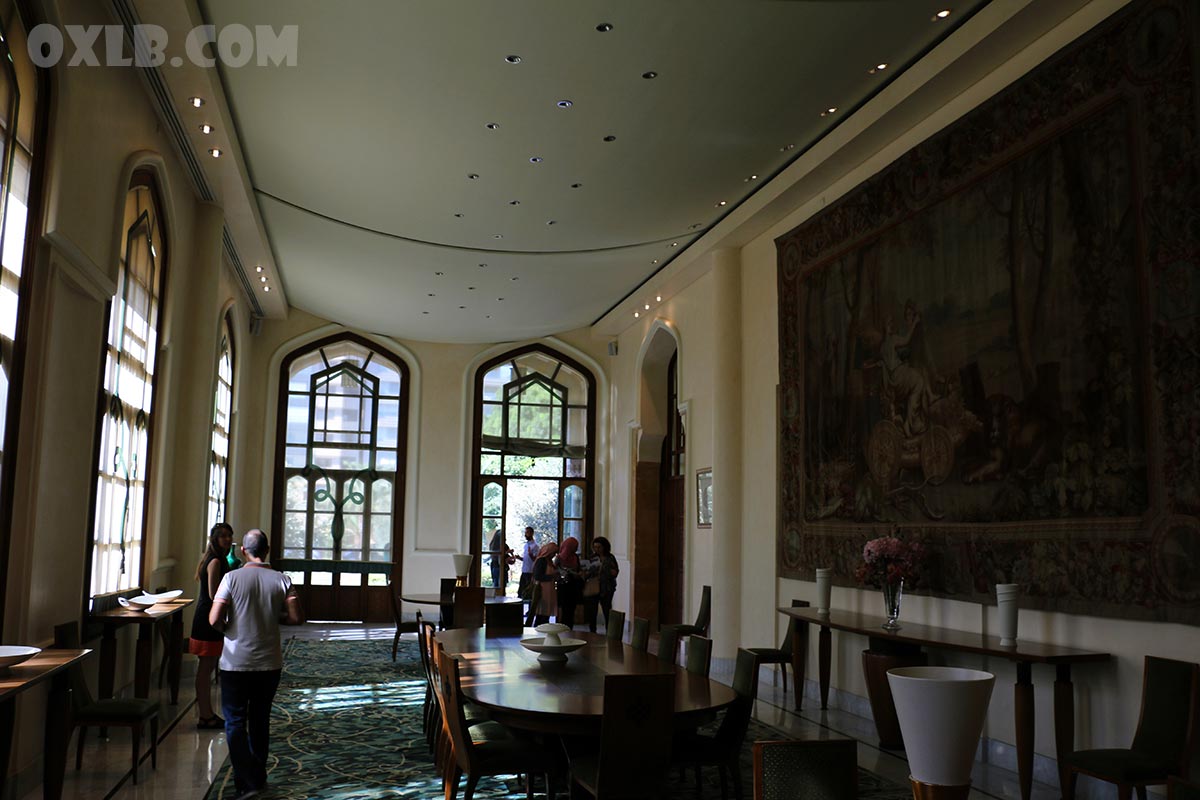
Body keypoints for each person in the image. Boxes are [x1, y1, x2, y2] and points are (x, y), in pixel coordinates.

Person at [210, 529, 304, 800]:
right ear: (268, 550)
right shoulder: (282, 580)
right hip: (268, 662)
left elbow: (214, 619)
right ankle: (257, 775)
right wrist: (273, 618)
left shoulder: (231, 578)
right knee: (260, 719)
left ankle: (247, 779)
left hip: (235, 663)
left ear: (243, 551)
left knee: (235, 722)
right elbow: (297, 617)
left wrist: (230, 631)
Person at [188, 522, 234, 729]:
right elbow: (215, 595)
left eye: (229, 535)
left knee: (207, 668)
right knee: (205, 668)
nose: (227, 539)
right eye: (222, 536)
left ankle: (207, 714)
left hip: (207, 616)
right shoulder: (215, 561)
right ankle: (205, 715)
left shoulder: (217, 558)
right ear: (214, 538)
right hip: (207, 619)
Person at [584, 536, 619, 634]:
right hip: (594, 586)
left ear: (604, 547)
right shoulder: (592, 558)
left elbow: (615, 571)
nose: (597, 549)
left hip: (607, 588)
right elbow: (586, 572)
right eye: (595, 547)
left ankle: (610, 632)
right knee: (592, 611)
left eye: (599, 547)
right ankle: (592, 631)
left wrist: (606, 570)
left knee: (607, 610)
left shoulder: (610, 558)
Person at [555, 536, 583, 629]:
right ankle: (560, 626)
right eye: (574, 546)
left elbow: (579, 569)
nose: (576, 548)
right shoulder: (559, 558)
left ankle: (569, 627)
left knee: (571, 609)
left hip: (573, 586)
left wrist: (578, 573)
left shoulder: (575, 557)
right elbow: (555, 570)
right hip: (563, 586)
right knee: (562, 608)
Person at [531, 541, 559, 626]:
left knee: (546, 613)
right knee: (542, 613)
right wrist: (552, 576)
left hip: (549, 589)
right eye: (553, 553)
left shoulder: (550, 561)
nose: (554, 555)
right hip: (543, 589)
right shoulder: (541, 561)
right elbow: (538, 576)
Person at [517, 526, 539, 600]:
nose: (525, 534)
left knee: (528, 593)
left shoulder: (535, 546)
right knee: (521, 592)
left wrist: (530, 554)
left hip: (530, 572)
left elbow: (536, 559)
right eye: (525, 532)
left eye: (527, 533)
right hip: (524, 571)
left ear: (532, 533)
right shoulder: (526, 545)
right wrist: (519, 558)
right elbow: (526, 559)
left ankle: (529, 609)